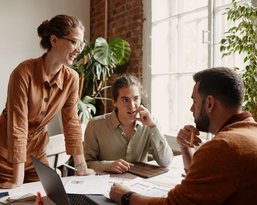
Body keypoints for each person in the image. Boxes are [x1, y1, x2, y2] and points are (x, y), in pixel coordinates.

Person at [109, 67, 257, 205]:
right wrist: (185, 147)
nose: (191, 108)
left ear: (210, 103)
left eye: (194, 100)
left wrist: (127, 196)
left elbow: (175, 204)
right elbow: (201, 183)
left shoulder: (223, 146)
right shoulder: (248, 132)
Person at [0, 14, 94, 189]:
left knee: (50, 193)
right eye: (74, 42)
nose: (79, 49)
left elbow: (71, 122)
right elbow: (18, 125)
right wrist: (17, 179)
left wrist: (81, 167)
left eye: (81, 44)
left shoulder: (71, 78)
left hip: (36, 154)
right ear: (54, 40)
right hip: (5, 155)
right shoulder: (23, 73)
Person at [84, 74, 173, 173]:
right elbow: (85, 164)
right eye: (125, 100)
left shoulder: (150, 124)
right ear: (114, 102)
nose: (132, 106)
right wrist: (109, 165)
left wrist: (152, 126)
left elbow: (166, 161)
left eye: (136, 99)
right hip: (106, 184)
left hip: (139, 183)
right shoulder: (95, 125)